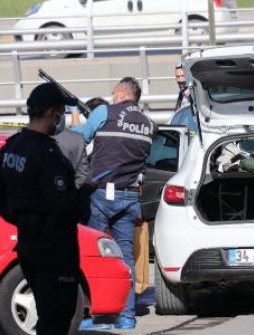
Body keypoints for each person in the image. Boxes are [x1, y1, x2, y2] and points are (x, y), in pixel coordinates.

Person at [0, 83, 96, 335]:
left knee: (47, 312)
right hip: (54, 248)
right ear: (50, 113)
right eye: (61, 112)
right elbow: (63, 207)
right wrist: (84, 192)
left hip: (28, 243)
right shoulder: (47, 154)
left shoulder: (13, 146)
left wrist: (21, 218)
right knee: (57, 317)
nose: (62, 118)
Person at [72, 77, 156, 330]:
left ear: (121, 93)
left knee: (92, 253)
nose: (110, 98)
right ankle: (127, 316)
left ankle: (91, 315)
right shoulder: (149, 124)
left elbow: (78, 140)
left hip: (101, 195)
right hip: (130, 196)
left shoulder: (104, 112)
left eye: (112, 94)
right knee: (125, 258)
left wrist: (74, 116)